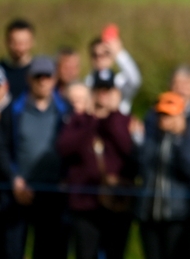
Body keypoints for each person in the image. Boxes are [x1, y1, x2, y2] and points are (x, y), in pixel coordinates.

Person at [0, 56, 71, 259]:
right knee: (12, 251)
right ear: (29, 78)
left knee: (48, 251)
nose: (43, 81)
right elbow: (1, 147)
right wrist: (14, 178)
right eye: (38, 76)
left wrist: (68, 176)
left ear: (54, 79)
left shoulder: (66, 111)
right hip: (19, 192)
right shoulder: (13, 111)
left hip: (54, 192)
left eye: (47, 76)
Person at [56, 70, 135, 259]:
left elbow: (129, 151)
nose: (103, 94)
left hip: (116, 202)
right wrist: (92, 120)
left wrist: (112, 116)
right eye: (99, 90)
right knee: (85, 254)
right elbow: (64, 148)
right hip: (84, 202)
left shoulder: (123, 120)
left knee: (115, 254)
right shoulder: (78, 121)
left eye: (107, 90)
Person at [137, 92, 190, 259]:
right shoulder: (152, 139)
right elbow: (141, 165)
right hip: (149, 212)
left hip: (176, 214)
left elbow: (189, 168)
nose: (163, 119)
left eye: (169, 115)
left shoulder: (187, 140)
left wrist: (180, 136)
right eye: (161, 115)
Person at [85, 32, 142, 115]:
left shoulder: (120, 81)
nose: (100, 58)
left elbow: (135, 80)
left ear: (112, 56)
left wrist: (119, 52)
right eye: (95, 55)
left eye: (105, 54)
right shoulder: (88, 82)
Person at [0, 18, 35, 99]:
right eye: (15, 43)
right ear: (7, 42)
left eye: (24, 43)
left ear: (32, 42)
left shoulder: (41, 72)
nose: (20, 48)